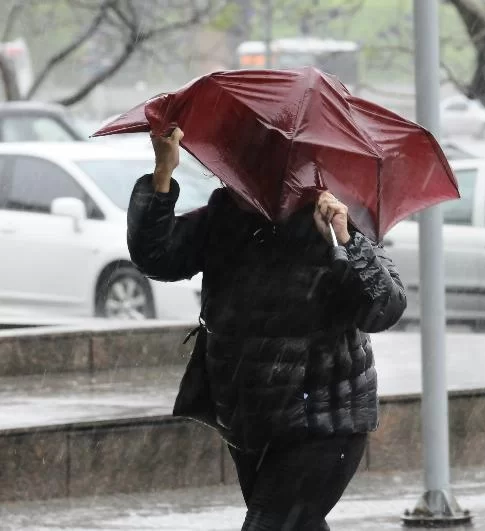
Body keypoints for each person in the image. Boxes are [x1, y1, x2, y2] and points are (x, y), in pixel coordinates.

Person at [127, 127, 407, 530]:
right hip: (252, 423)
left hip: (324, 424)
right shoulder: (225, 217)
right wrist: (161, 173)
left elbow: (385, 307)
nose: (237, 177)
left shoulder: (331, 218)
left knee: (268, 525)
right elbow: (157, 256)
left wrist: (341, 241)